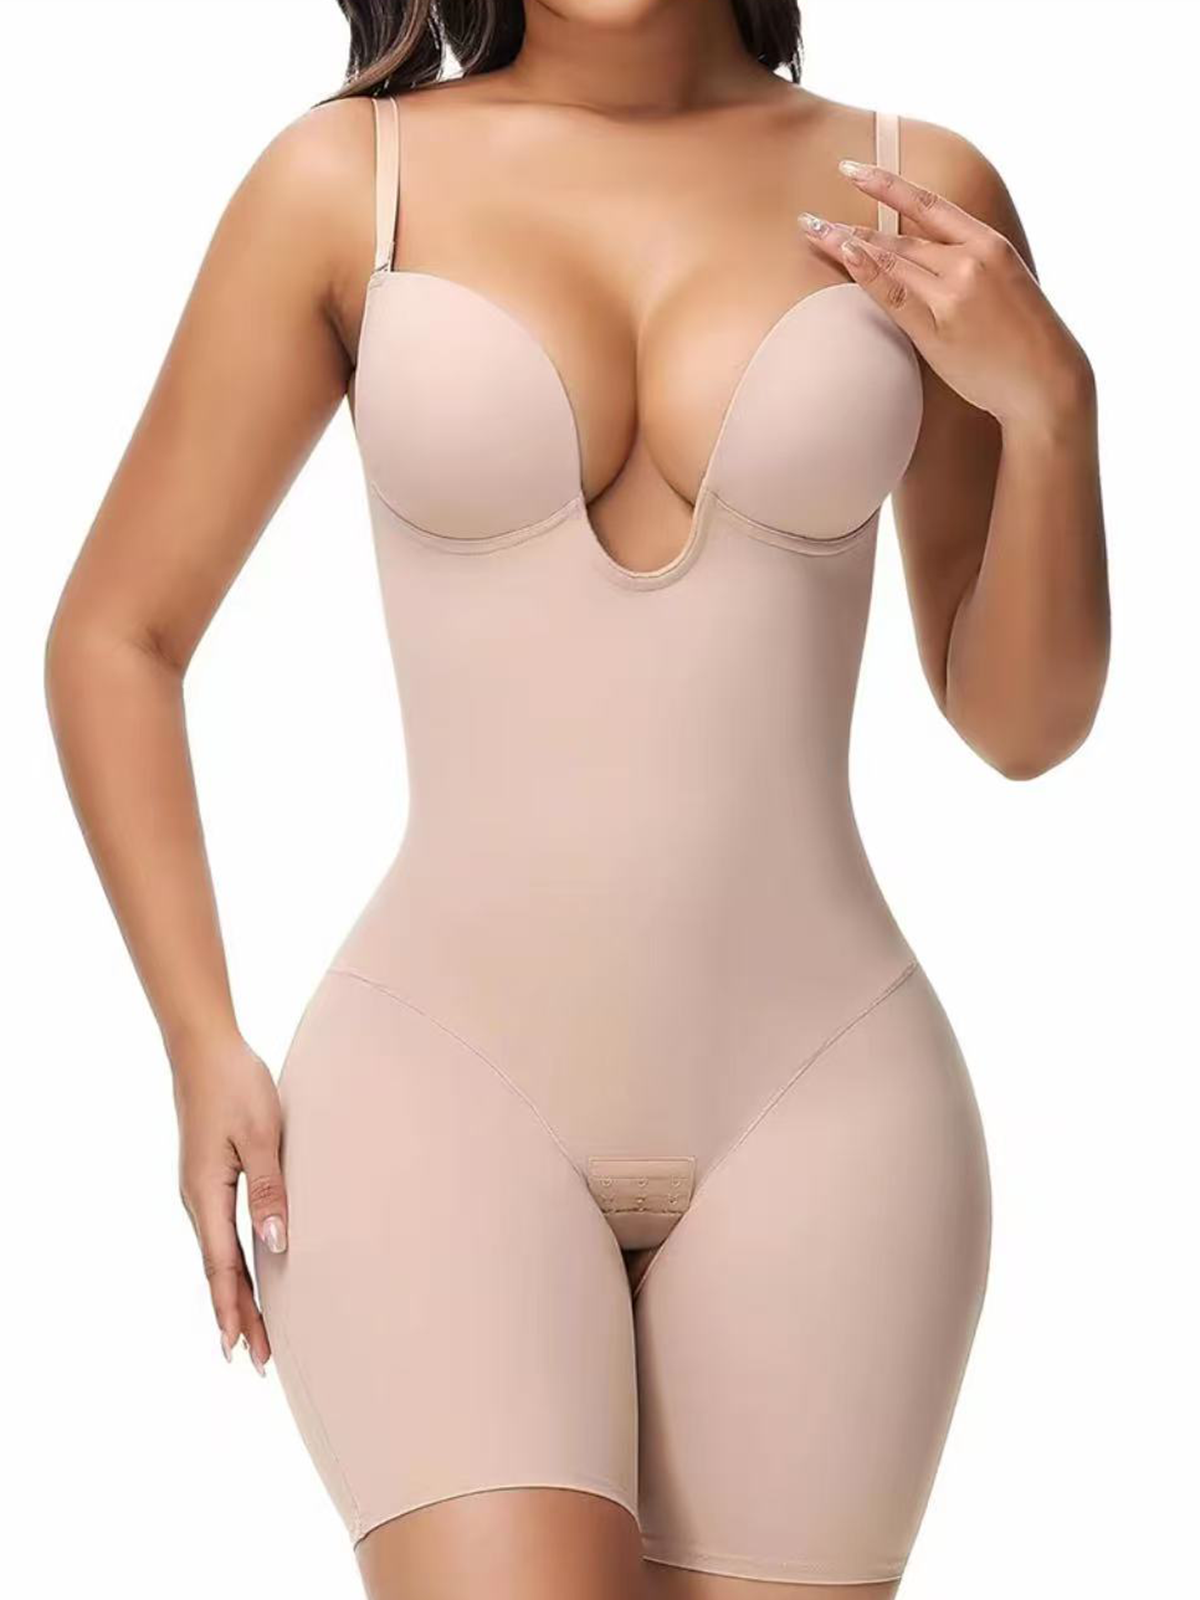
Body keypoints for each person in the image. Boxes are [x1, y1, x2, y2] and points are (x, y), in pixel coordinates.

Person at [44, 2, 1109, 1596]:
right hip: (435, 1095)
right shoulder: (348, 185)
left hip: (831, 1111)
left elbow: (1020, 723)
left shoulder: (913, 190)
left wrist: (1053, 409)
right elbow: (117, 634)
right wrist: (201, 1040)